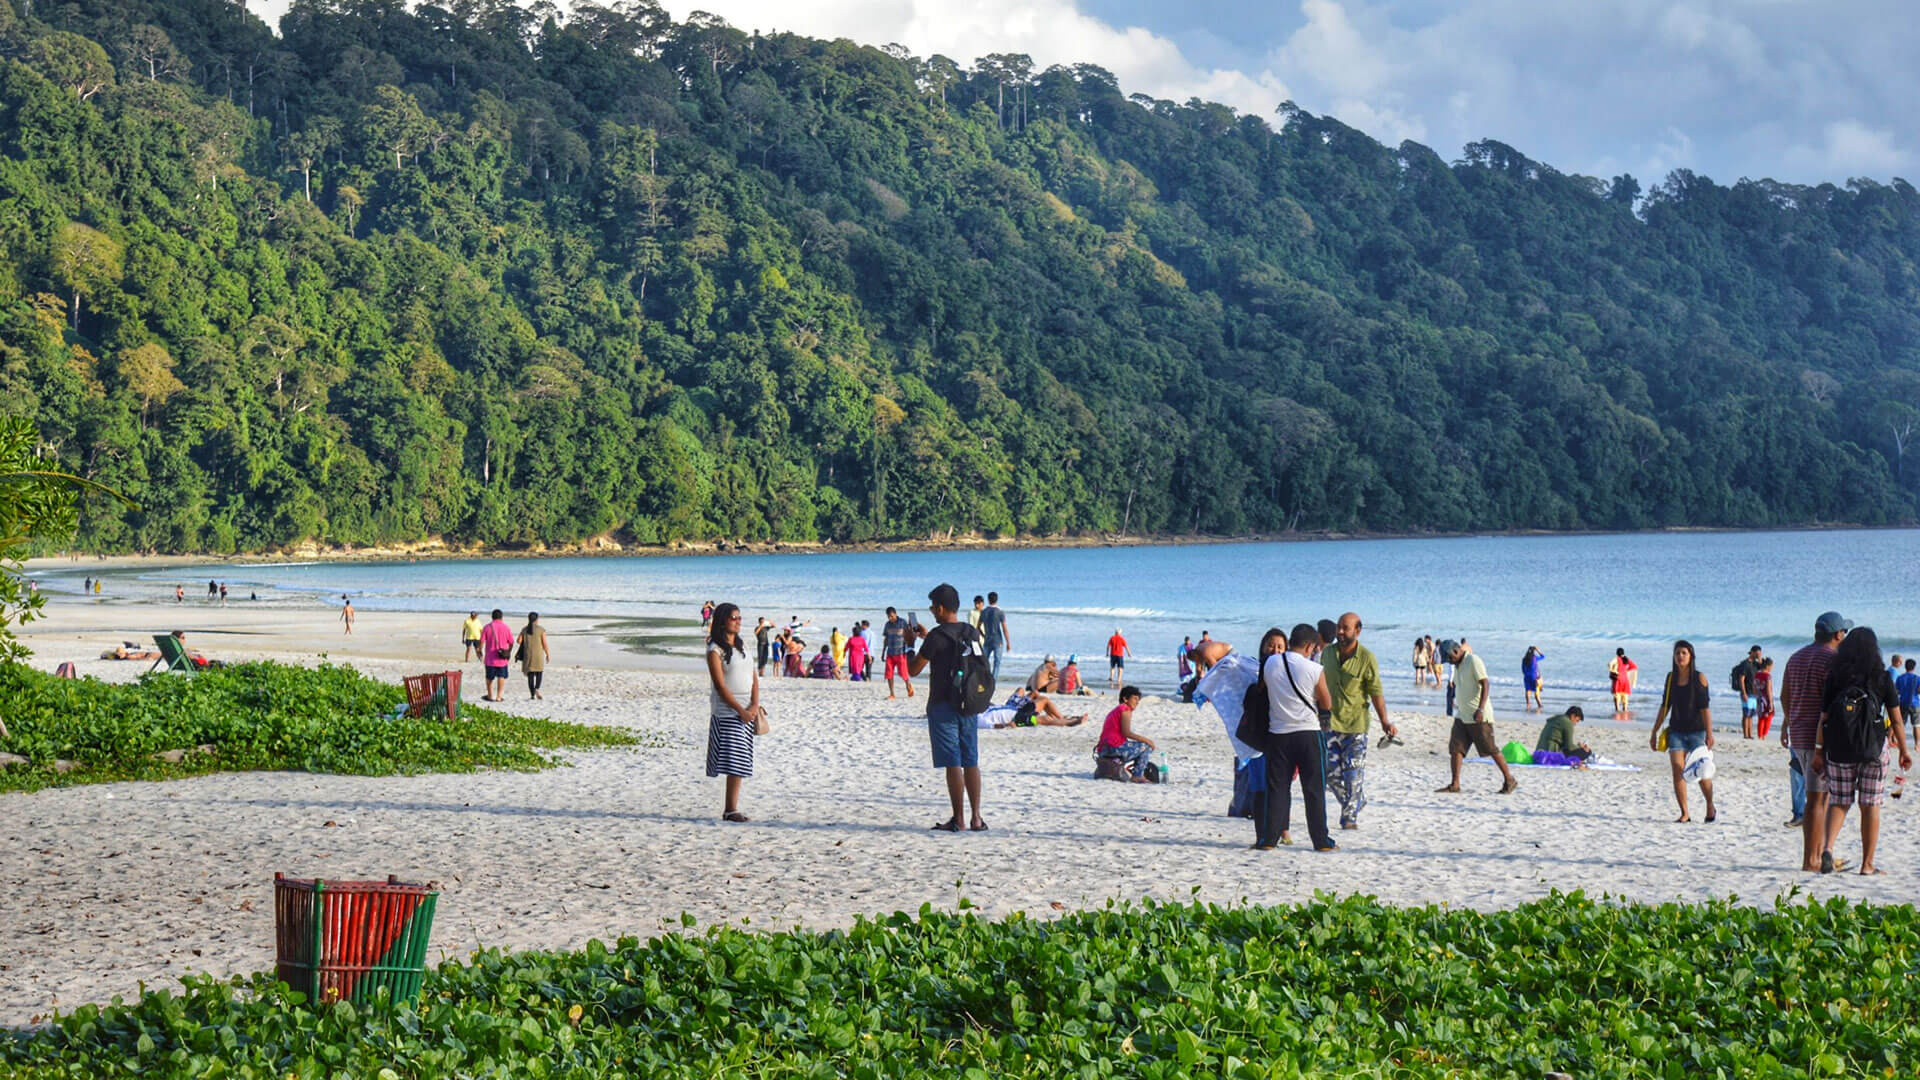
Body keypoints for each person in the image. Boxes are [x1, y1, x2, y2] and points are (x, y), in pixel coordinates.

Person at [1816, 627, 1912, 875]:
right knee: (1870, 805)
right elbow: (1897, 720)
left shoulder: (1835, 676)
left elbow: (1823, 718)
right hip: (1873, 749)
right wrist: (1904, 749)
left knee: (1839, 801)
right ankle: (1867, 864)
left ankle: (1827, 848)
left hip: (1839, 749)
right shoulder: (1881, 677)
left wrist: (1819, 751)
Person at [905, 583, 988, 833]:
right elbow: (955, 649)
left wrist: (911, 644)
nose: (931, 610)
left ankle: (958, 819)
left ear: (940, 608)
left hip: (943, 704)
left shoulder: (936, 637)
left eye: (932, 606)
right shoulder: (970, 632)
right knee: (971, 760)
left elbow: (913, 669)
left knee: (953, 762)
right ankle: (976, 818)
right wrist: (926, 635)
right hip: (969, 703)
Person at [1255, 623, 1337, 852]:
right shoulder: (1313, 669)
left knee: (1278, 788)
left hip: (1278, 733)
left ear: (1290, 641)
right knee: (1313, 789)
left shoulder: (1271, 662)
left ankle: (1269, 839)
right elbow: (1326, 701)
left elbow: (1262, 687)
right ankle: (1321, 841)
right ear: (1310, 646)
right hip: (1307, 733)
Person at [1782, 611, 1850, 868]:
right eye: (1843, 632)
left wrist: (1789, 721)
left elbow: (1784, 695)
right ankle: (1811, 858)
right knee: (1818, 799)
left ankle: (1820, 854)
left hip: (1798, 733)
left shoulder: (1796, 657)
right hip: (1820, 737)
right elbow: (1835, 701)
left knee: (1819, 797)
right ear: (1837, 634)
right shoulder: (1833, 659)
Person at [1323, 612, 1398, 830]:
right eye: (1338, 627)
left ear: (1358, 631)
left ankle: (1349, 819)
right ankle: (1357, 800)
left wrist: (1385, 721)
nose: (1340, 632)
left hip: (1356, 726)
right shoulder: (1327, 653)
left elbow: (1376, 692)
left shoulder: (1367, 658)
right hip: (1329, 724)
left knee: (1353, 774)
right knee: (1330, 775)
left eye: (1345, 628)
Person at [704, 602, 764, 823]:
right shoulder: (715, 651)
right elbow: (720, 686)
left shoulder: (743, 645)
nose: (738, 621)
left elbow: (753, 676)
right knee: (734, 760)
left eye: (740, 618)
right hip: (728, 710)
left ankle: (731, 808)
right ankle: (730, 809)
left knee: (740, 760)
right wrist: (740, 709)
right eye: (734, 618)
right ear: (723, 621)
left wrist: (754, 705)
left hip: (747, 708)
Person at [1437, 639, 1518, 795]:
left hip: (1478, 715)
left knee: (1490, 749)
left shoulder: (1473, 661)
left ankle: (1509, 779)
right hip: (1462, 715)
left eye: (1450, 658)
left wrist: (1480, 709)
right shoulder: (1458, 666)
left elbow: (1485, 684)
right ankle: (1455, 784)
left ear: (1456, 651)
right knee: (1456, 749)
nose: (1450, 663)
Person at [1649, 640, 1717, 823]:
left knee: (1702, 772)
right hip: (1677, 732)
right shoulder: (1671, 678)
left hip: (1697, 732)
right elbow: (1665, 706)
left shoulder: (1699, 678)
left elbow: (1705, 708)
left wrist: (1710, 734)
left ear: (1691, 656)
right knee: (1678, 771)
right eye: (1677, 653)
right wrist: (1654, 731)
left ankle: (1710, 805)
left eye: (1684, 653)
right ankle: (1685, 813)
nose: (1680, 656)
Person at [1097, 687, 1155, 780]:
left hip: (1103, 749)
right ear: (1125, 699)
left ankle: (1119, 764)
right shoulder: (1125, 709)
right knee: (1146, 746)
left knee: (1135, 746)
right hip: (1113, 748)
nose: (1137, 702)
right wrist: (1147, 740)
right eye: (1135, 698)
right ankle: (1137, 775)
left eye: (1138, 699)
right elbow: (1126, 733)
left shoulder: (1116, 710)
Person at [479, 609, 514, 702]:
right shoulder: (506, 627)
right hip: (502, 657)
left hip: (490, 657)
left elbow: (481, 642)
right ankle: (499, 696)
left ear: (492, 617)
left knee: (489, 677)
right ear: (501, 617)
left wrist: (479, 651)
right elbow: (511, 642)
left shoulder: (487, 627)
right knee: (501, 676)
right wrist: (508, 651)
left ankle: (490, 695)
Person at [882, 606, 915, 700]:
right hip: (890, 653)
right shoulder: (887, 625)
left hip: (901, 652)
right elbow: (886, 638)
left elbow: (910, 635)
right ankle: (892, 694)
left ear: (895, 614)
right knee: (889, 674)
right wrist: (883, 651)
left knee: (903, 673)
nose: (890, 618)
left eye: (891, 616)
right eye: (888, 616)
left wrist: (910, 649)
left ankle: (908, 685)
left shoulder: (902, 622)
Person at [1733, 644, 1762, 739]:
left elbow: (1763, 669)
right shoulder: (1745, 664)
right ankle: (1745, 734)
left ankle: (1750, 734)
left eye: (1759, 653)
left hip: (1754, 693)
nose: (1758, 655)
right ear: (1752, 652)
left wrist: (1760, 658)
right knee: (1746, 714)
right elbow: (1741, 679)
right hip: (1747, 692)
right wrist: (1743, 693)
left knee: (1751, 714)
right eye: (1757, 653)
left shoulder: (1755, 664)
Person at [980, 592, 1009, 678]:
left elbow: (978, 627)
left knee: (984, 662)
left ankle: (984, 679)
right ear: (996, 599)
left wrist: (983, 635)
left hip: (987, 640)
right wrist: (1008, 643)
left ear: (988, 600)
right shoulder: (1000, 612)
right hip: (998, 641)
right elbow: (1004, 629)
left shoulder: (984, 612)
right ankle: (993, 682)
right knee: (997, 663)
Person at [1610, 649, 1638, 717]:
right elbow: (1634, 666)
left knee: (1617, 695)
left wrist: (1612, 670)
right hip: (1625, 679)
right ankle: (1625, 710)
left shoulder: (1617, 659)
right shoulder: (1626, 659)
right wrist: (1626, 670)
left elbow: (1610, 664)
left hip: (1618, 678)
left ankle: (1617, 710)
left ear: (1617, 653)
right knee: (1625, 696)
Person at [1756, 657, 1777, 739]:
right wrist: (1771, 702)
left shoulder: (1757, 674)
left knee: (1760, 717)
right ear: (1768, 666)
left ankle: (1759, 735)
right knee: (1768, 717)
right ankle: (1764, 735)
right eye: (1771, 666)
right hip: (1766, 699)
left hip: (1759, 698)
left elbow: (1754, 688)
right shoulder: (1767, 676)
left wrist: (1757, 696)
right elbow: (1769, 689)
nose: (1772, 668)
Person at [1521, 647, 1546, 712]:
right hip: (1534, 677)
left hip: (1526, 677)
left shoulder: (1524, 659)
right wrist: (1538, 649)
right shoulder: (1534, 658)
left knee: (1527, 691)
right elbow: (1543, 656)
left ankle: (1528, 705)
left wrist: (1526, 674)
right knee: (1536, 692)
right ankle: (1539, 705)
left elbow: (1523, 670)